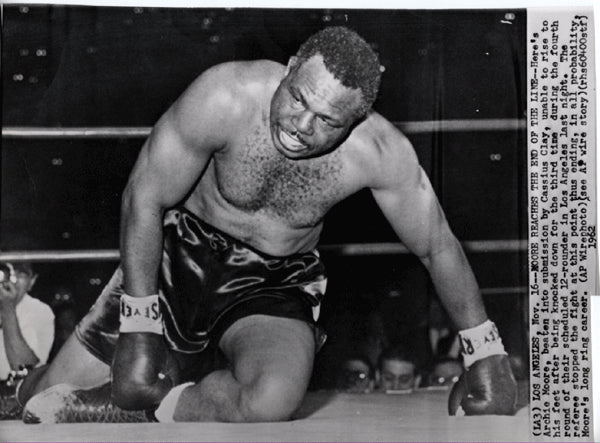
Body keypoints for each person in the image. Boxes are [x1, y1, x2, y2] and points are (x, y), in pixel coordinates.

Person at [10, 26, 516, 423]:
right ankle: (23, 383)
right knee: (45, 402)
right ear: (290, 69)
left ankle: (158, 404)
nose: (301, 125)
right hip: (175, 260)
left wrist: (484, 351)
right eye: (298, 98)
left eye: (327, 121)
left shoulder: (380, 154)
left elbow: (437, 245)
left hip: (274, 281)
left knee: (270, 399)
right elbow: (143, 196)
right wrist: (140, 321)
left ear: (358, 120)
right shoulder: (225, 95)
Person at [0, 262, 54, 419]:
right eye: (7, 271)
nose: (13, 279)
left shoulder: (41, 311)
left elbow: (22, 369)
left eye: (21, 273)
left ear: (32, 281)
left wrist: (7, 307)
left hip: (15, 398)